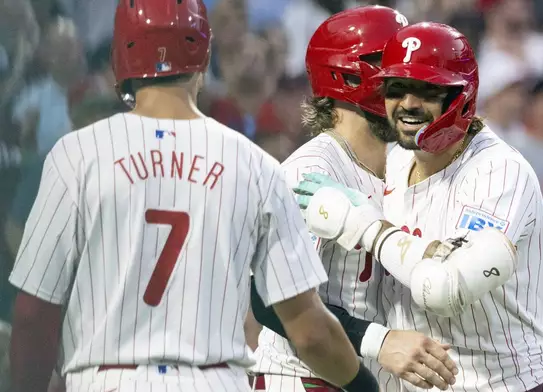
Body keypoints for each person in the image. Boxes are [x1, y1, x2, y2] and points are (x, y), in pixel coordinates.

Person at [7, 1, 381, 391]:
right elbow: (309, 331)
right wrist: (365, 385)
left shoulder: (76, 155)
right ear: (203, 55)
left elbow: (34, 315)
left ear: (121, 57)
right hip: (213, 380)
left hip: (106, 378)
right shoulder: (256, 165)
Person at [295, 22, 543, 391]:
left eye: (426, 89)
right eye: (397, 88)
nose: (408, 104)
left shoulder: (498, 171)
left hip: (508, 382)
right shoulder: (391, 164)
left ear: (461, 96)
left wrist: (363, 225)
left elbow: (444, 288)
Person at [249, 6, 458, 392]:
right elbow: (269, 298)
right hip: (302, 379)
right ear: (350, 75)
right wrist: (380, 340)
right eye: (394, 69)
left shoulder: (401, 167)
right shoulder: (310, 171)